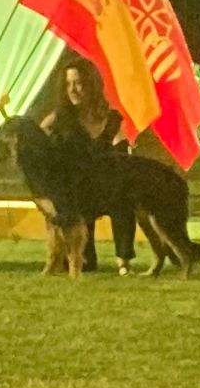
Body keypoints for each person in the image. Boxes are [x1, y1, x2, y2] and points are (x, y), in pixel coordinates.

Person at [40, 56, 137, 275]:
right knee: (86, 263)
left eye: (78, 83)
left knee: (124, 200)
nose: (72, 90)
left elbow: (125, 155)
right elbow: (37, 141)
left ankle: (123, 262)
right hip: (76, 191)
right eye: (68, 84)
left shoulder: (111, 119)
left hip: (106, 187)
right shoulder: (59, 118)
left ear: (91, 85)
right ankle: (79, 256)